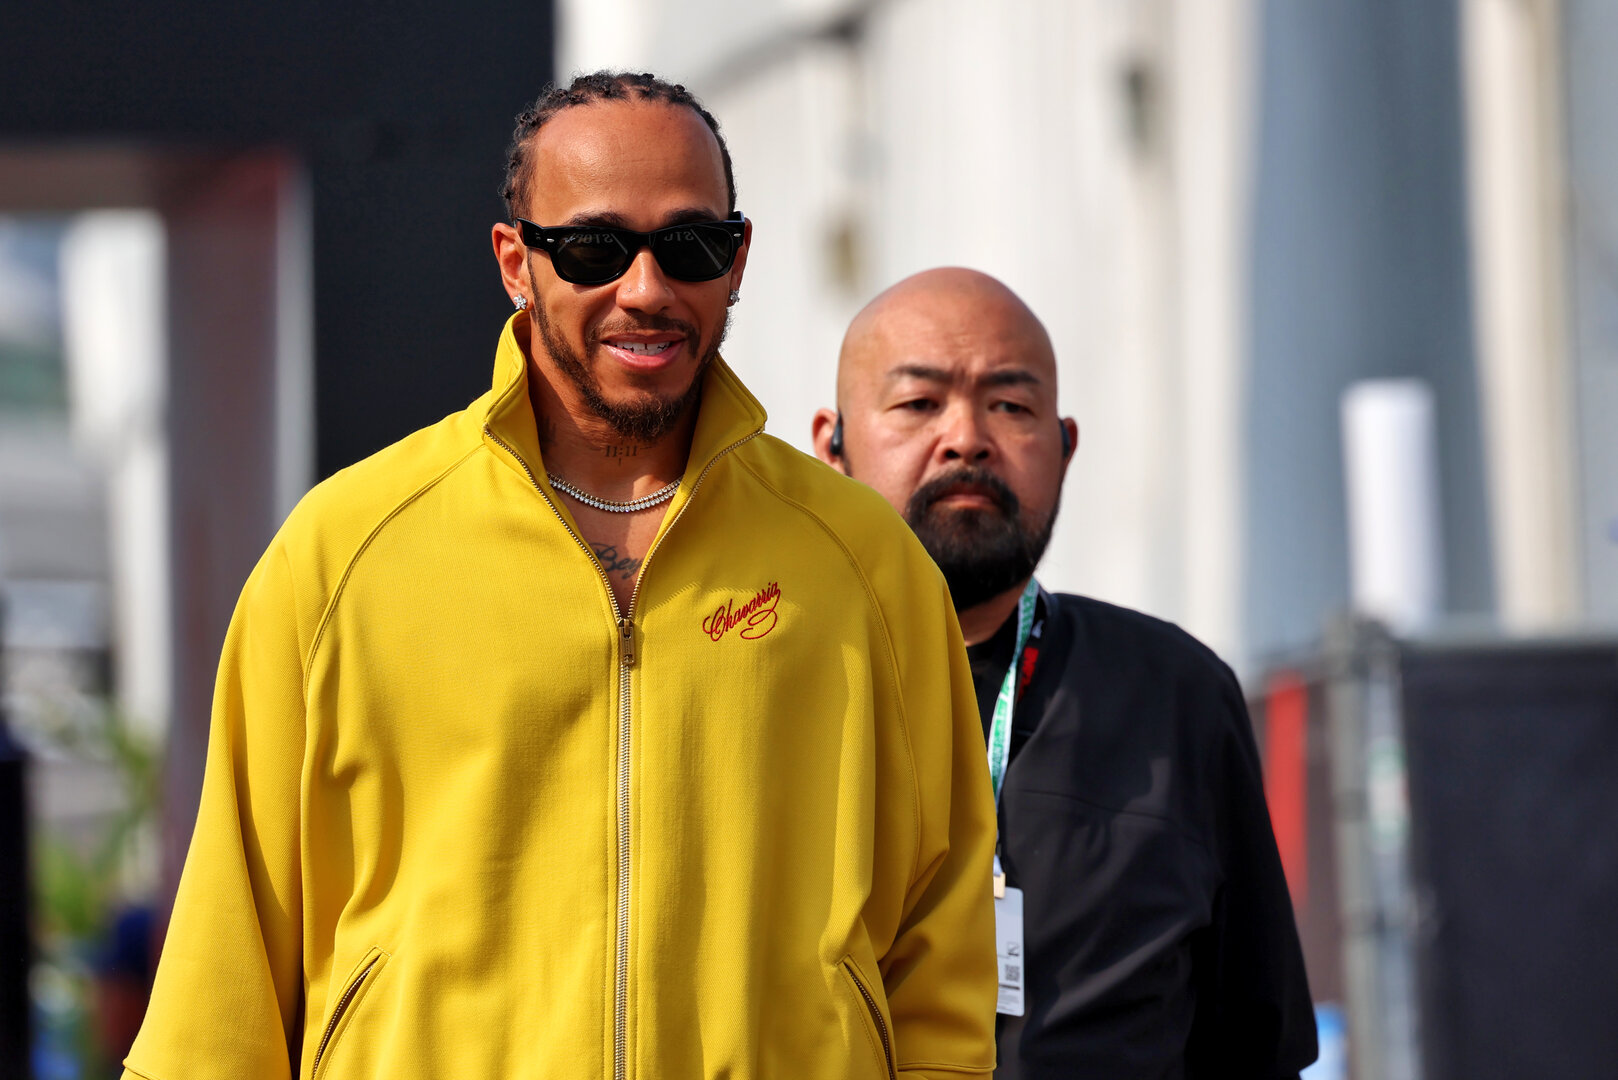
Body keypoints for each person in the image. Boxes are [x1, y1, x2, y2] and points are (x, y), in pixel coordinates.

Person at [123, 74, 998, 1080]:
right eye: (592, 248)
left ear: (738, 258)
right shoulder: (342, 557)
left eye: (689, 246)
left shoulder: (864, 563)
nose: (645, 289)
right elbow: (224, 975)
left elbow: (942, 954)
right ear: (514, 262)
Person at [813, 268, 1317, 1079]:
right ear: (830, 446)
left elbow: (1254, 1045)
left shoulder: (1174, 694)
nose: (966, 437)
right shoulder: (769, 680)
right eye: (919, 403)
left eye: (1010, 406)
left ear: (1066, 445)